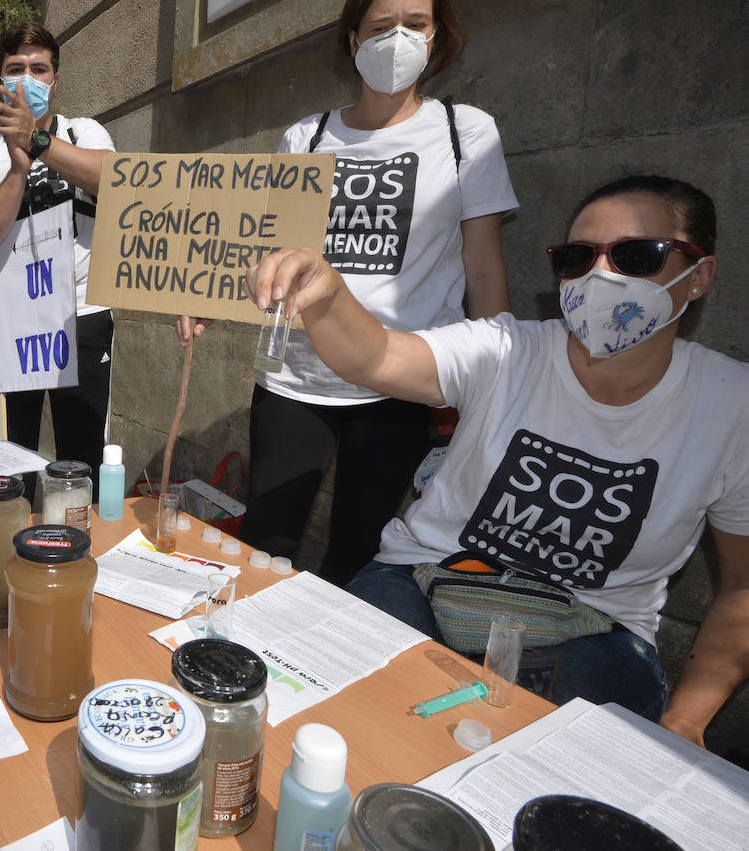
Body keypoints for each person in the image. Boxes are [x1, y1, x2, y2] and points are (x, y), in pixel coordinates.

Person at [246, 174, 748, 742]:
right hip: (424, 579)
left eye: (637, 256)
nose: (602, 276)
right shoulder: (507, 349)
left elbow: (741, 587)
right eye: (578, 258)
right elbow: (380, 356)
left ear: (698, 274)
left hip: (592, 627)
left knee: (539, 755)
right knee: (352, 714)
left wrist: (684, 722)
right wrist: (330, 294)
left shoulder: (732, 409)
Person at [179, 0, 517, 586]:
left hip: (399, 384)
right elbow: (268, 250)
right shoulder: (304, 137)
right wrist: (211, 291)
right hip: (295, 381)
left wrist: (497, 381)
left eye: (414, 23)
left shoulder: (466, 133)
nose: (397, 39)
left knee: (356, 559)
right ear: (352, 36)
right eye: (381, 25)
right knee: (264, 549)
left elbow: (485, 269)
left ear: (438, 32)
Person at [0, 21, 116, 496]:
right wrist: (18, 171)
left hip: (82, 317)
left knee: (81, 457)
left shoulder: (83, 132)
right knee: (8, 459)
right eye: (15, 69)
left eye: (38, 68)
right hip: (9, 327)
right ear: (1, 81)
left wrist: (40, 142)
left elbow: (117, 183)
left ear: (55, 79)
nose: (27, 78)